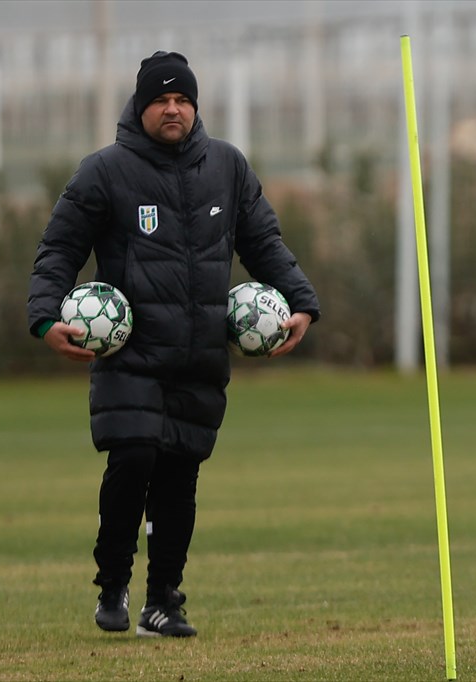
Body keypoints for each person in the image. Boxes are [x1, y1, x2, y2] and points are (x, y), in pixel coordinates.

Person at [27, 51, 320, 638]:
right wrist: (43, 317)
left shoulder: (229, 167)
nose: (172, 109)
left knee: (179, 479)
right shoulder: (104, 171)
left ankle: (163, 601)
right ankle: (112, 582)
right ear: (140, 107)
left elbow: (263, 243)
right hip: (129, 354)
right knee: (133, 457)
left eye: (183, 99)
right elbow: (59, 249)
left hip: (199, 355)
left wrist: (303, 301)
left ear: (195, 106)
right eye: (161, 100)